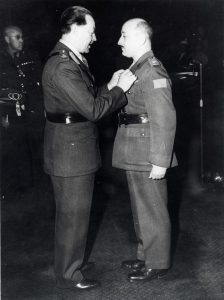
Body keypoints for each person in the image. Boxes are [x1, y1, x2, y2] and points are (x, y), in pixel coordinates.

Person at [42, 6, 136, 291]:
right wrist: (122, 88)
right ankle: (70, 274)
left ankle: (70, 262)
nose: (94, 38)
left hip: (72, 148)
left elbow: (86, 98)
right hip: (70, 152)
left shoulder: (71, 59)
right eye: (91, 31)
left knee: (73, 213)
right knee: (73, 214)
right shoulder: (62, 65)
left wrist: (111, 84)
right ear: (78, 28)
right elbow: (94, 109)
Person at [112, 18, 178, 282]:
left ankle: (158, 261)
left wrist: (161, 160)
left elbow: (165, 117)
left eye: (123, 36)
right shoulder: (136, 68)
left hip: (148, 150)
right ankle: (145, 256)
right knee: (142, 208)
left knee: (152, 208)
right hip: (135, 147)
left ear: (141, 38)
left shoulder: (152, 71)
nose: (119, 41)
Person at [0, 26, 44, 196]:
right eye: (17, 37)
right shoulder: (2, 60)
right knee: (12, 150)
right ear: (6, 39)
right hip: (8, 113)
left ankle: (30, 187)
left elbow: (36, 84)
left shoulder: (29, 57)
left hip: (29, 110)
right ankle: (13, 189)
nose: (21, 40)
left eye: (22, 37)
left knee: (31, 148)